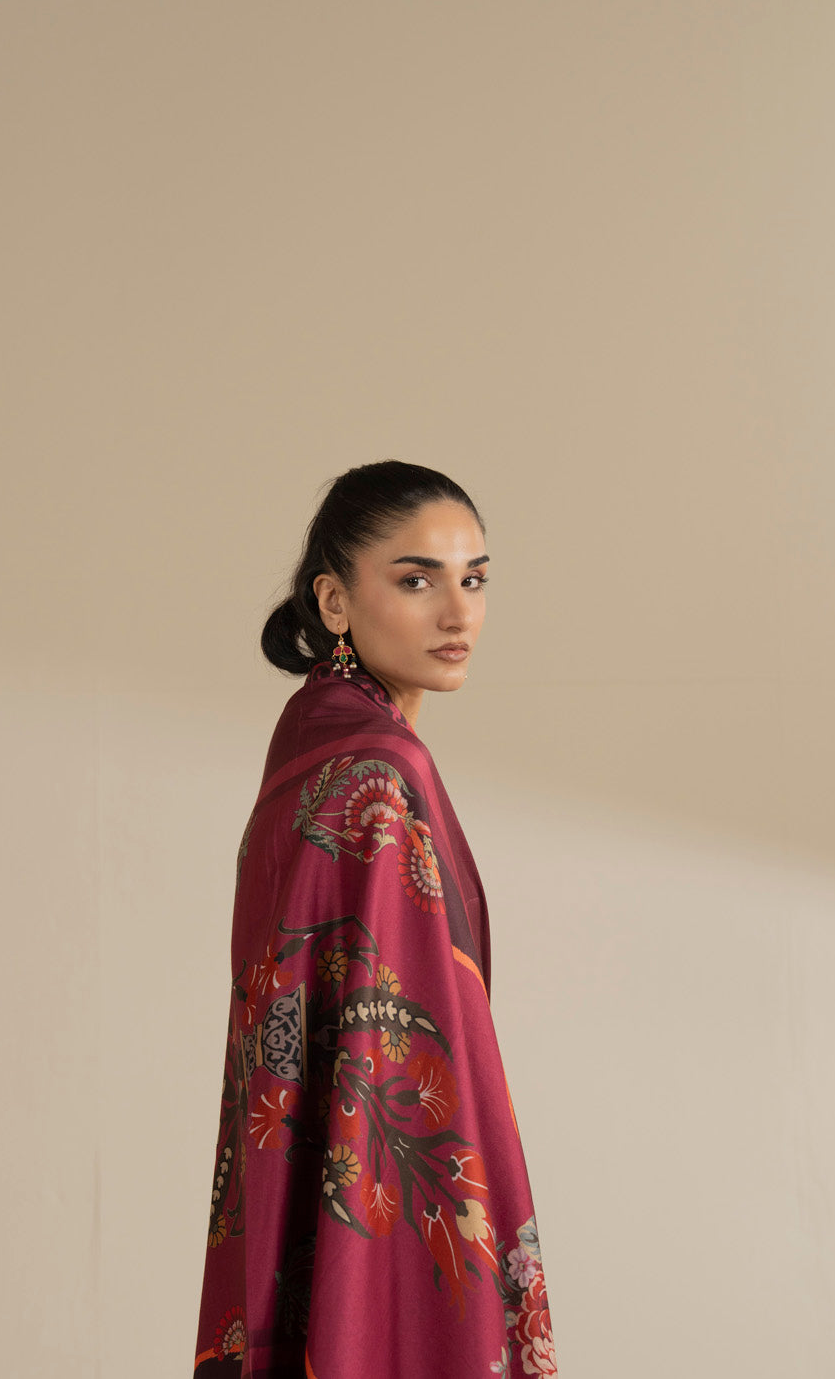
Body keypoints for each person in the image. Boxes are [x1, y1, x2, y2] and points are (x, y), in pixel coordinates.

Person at [192, 460, 557, 1378]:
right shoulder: (374, 777)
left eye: (473, 578)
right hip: (387, 1174)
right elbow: (399, 1050)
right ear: (335, 600)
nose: (457, 612)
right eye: (415, 579)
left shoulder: (316, 737)